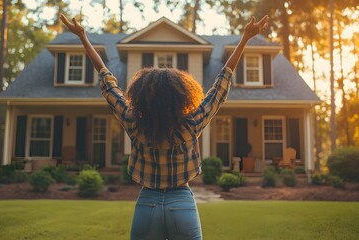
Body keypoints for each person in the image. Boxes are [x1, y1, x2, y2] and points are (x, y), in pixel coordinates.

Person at [60, 14, 269, 240]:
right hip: (182, 203)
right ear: (180, 97)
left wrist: (82, 36)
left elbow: (107, 83)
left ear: (142, 95)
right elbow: (221, 84)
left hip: (146, 204)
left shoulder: (134, 123)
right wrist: (245, 38)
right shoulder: (191, 124)